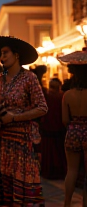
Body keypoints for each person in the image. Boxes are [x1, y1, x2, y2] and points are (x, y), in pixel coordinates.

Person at [0, 36, 47, 207]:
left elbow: (42, 107)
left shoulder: (29, 78)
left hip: (23, 141)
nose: (1, 58)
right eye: (1, 54)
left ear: (16, 55)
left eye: (5, 53)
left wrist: (15, 117)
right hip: (3, 141)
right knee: (5, 184)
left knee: (23, 183)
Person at [58, 50, 87, 207]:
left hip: (73, 131)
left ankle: (67, 203)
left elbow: (64, 120)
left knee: (72, 171)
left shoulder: (67, 95)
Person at [40, 78, 67, 179]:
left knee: (48, 152)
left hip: (48, 127)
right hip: (59, 127)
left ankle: (49, 170)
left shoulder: (46, 96)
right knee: (59, 152)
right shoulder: (63, 96)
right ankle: (59, 171)